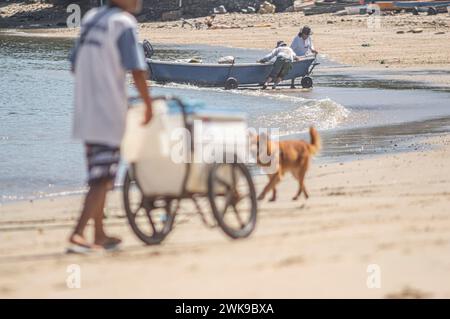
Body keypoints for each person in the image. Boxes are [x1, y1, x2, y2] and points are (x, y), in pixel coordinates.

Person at [68, 0, 153, 252]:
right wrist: (148, 104)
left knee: (100, 172)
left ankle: (99, 234)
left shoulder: (91, 19)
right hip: (108, 112)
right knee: (102, 176)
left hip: (85, 110)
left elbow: (74, 64)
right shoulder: (124, 23)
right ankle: (77, 233)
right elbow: (137, 69)